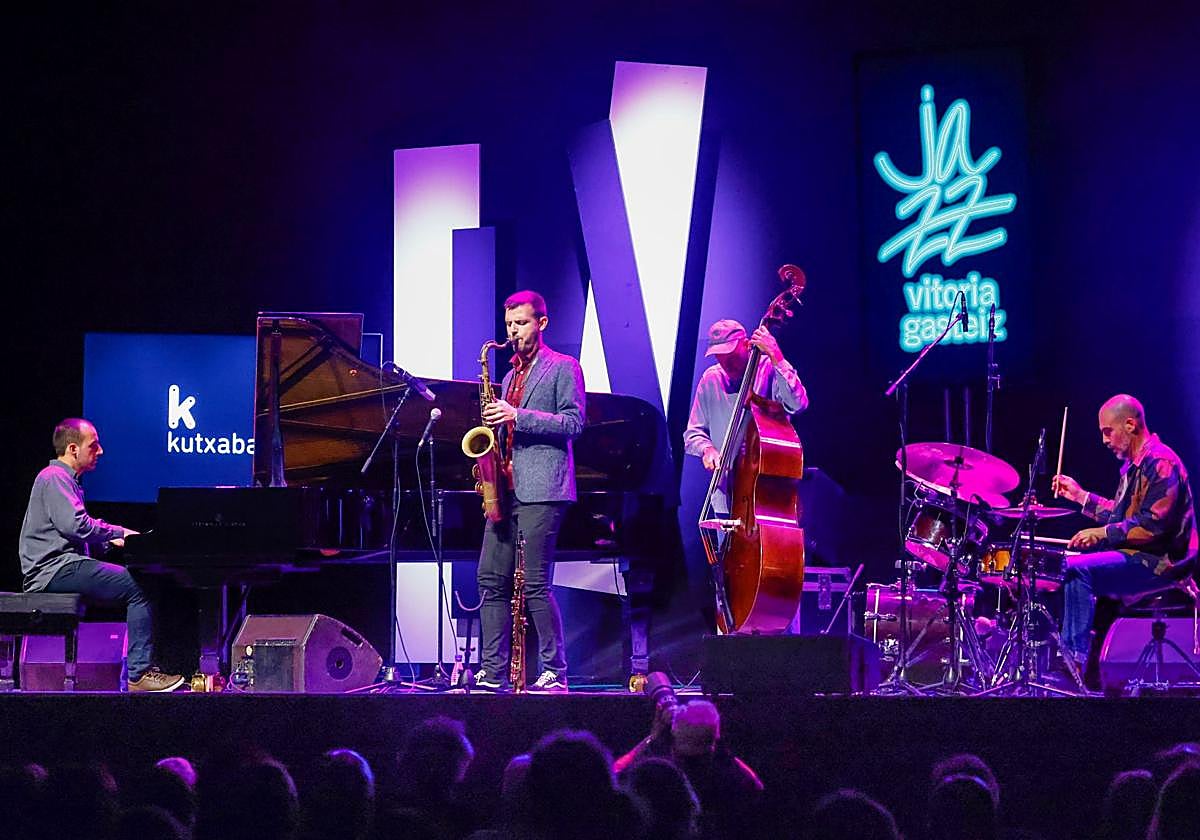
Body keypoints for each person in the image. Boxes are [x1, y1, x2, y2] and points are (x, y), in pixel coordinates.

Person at [18, 418, 184, 692]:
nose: (101, 451)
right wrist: (118, 532)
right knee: (138, 587)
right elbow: (76, 525)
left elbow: (70, 533)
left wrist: (113, 541)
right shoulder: (54, 477)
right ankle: (139, 674)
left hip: (65, 566)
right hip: (53, 571)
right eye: (93, 446)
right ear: (73, 449)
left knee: (137, 584)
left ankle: (132, 670)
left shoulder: (65, 481)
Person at [473, 290, 585, 692]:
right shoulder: (507, 376)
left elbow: (574, 423)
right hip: (506, 489)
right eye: (509, 325)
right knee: (489, 579)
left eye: (520, 323)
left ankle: (555, 670)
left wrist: (517, 414)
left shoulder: (563, 367)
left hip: (544, 488)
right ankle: (493, 672)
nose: (513, 332)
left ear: (542, 322)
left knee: (535, 583)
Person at [1052, 395, 1197, 668]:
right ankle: (1079, 662)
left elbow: (1153, 526)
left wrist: (1101, 533)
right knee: (1064, 567)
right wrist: (1081, 497)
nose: (1104, 441)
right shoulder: (1133, 467)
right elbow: (1121, 518)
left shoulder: (1161, 462)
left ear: (1130, 424)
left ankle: (1073, 663)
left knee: (1077, 569)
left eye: (1108, 431)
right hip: (1141, 557)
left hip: (1163, 563)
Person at [684, 318, 809, 496]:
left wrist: (777, 356)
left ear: (747, 344)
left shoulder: (769, 369)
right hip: (724, 490)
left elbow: (798, 404)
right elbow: (692, 433)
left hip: (767, 488)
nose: (727, 364)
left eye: (732, 356)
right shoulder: (710, 379)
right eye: (720, 357)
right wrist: (707, 449)